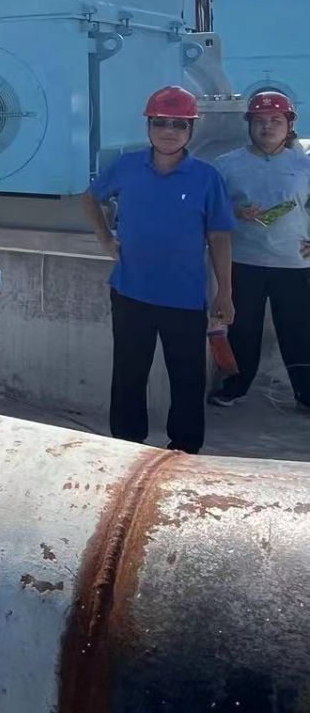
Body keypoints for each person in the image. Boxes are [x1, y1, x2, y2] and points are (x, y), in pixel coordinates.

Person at [81, 85, 235, 454]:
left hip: (185, 299)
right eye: (160, 122)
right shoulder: (127, 166)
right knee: (129, 373)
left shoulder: (207, 177)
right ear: (148, 125)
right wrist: (106, 238)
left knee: (187, 378)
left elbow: (219, 237)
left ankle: (184, 448)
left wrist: (226, 292)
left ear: (191, 130)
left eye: (179, 124)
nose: (169, 131)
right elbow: (90, 197)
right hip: (130, 293)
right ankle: (127, 444)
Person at [210, 90, 310, 411]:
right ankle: (236, 386)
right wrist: (236, 212)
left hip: (294, 263)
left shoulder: (304, 165)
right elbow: (212, 209)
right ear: (249, 124)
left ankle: (305, 392)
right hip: (244, 261)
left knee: (298, 330)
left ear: (289, 124)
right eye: (260, 120)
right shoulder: (226, 165)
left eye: (275, 120)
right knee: (242, 329)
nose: (267, 127)